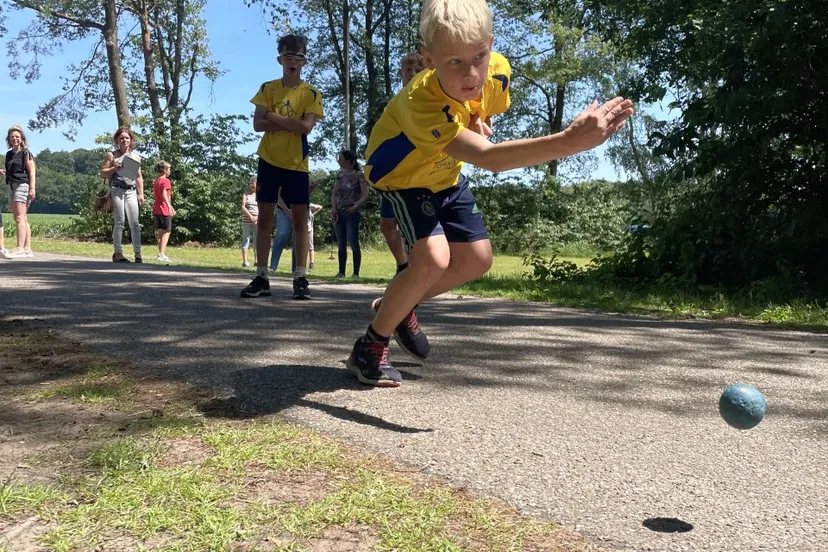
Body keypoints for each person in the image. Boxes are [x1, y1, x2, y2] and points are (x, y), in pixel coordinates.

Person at [344, 0, 633, 387]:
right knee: (432, 258)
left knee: (478, 260)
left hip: (445, 175)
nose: (471, 74)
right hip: (403, 176)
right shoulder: (420, 102)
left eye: (478, 56)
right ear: (429, 60)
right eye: (454, 63)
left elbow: (483, 109)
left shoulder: (497, 72)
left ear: (490, 44)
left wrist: (479, 119)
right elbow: (489, 159)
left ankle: (396, 306)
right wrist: (569, 142)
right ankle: (369, 348)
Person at [241, 33, 325, 299]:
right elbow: (257, 124)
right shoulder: (268, 88)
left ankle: (300, 277)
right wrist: (291, 123)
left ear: (304, 61)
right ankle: (262, 276)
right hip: (269, 160)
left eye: (298, 56)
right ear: (280, 59)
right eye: (288, 55)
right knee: (264, 218)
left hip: (297, 164)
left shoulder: (311, 93)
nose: (293, 60)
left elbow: (306, 127)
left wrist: (274, 117)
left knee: (301, 221)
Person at [377, 53, 427, 275]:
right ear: (401, 72)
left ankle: (413, 276)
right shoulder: (391, 104)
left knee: (415, 231)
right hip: (393, 174)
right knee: (387, 226)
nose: (413, 74)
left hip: (419, 175)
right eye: (409, 70)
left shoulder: (429, 103)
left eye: (418, 70)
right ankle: (403, 265)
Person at [99, 127, 145, 263]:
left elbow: (139, 177)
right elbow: (102, 172)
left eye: (127, 138)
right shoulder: (112, 155)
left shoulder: (135, 157)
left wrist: (141, 194)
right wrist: (114, 168)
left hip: (131, 191)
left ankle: (138, 253)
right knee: (119, 222)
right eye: (122, 138)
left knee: (135, 223)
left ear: (131, 140)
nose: (124, 140)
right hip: (117, 190)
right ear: (117, 141)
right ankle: (118, 253)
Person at [331, 150, 369, 278]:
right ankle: (341, 271)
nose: (339, 162)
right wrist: (334, 208)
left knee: (353, 242)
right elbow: (335, 193)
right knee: (341, 243)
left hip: (352, 212)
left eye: (341, 159)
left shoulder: (359, 175)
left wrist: (355, 207)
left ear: (348, 161)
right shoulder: (340, 175)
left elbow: (365, 195)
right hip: (340, 212)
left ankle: (356, 273)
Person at [1, 126, 36, 258]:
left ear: (21, 138)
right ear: (8, 139)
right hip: (11, 184)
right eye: (12, 137)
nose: (14, 139)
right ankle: (27, 248)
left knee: (20, 217)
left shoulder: (26, 153)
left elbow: (32, 171)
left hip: (23, 184)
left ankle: (20, 248)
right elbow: (12, 169)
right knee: (20, 217)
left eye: (17, 137)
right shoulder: (9, 154)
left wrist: (32, 188)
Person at [152, 161, 175, 263]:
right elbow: (164, 193)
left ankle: (160, 253)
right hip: (164, 209)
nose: (170, 171)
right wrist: (169, 206)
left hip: (157, 208)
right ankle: (161, 254)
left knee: (160, 231)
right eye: (169, 169)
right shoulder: (166, 181)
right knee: (167, 231)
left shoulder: (157, 181)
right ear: (165, 170)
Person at [269, 189, 296, 273]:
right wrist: (288, 211)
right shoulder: (282, 177)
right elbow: (277, 196)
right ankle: (273, 266)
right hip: (282, 209)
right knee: (281, 236)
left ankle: (296, 269)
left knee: (298, 238)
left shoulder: (301, 176)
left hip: (299, 209)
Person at [241, 176, 258, 267]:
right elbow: (243, 207)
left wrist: (257, 218)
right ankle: (245, 261)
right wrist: (250, 216)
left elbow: (262, 209)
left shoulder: (260, 195)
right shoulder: (246, 195)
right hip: (247, 221)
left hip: (257, 221)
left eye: (253, 182)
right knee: (246, 239)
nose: (251, 185)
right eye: (250, 183)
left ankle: (257, 261)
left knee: (257, 241)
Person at [307, 202, 322, 271]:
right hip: (301, 228)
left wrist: (313, 214)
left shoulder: (309, 205)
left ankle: (311, 264)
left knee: (310, 247)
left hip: (309, 228)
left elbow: (320, 207)